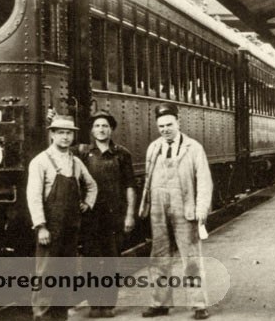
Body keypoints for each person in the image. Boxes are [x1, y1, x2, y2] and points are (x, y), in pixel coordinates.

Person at [138, 103, 213, 320]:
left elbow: (204, 182)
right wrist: (146, 205)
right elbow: (147, 179)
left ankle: (199, 305)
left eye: (169, 124)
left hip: (185, 207)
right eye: (161, 126)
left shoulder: (194, 148)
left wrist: (201, 209)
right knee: (159, 257)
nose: (165, 129)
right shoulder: (153, 148)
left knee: (190, 258)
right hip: (159, 209)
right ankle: (160, 303)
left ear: (178, 123)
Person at [27, 115, 98, 320]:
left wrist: (88, 203)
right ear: (52, 135)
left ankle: (61, 316)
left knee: (66, 272)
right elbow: (33, 196)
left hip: (71, 226)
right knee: (45, 273)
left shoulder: (75, 162)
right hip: (50, 227)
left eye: (69, 133)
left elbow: (92, 185)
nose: (65, 137)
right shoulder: (40, 161)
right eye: (61, 133)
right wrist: (40, 226)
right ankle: (41, 315)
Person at [75, 110, 136, 318]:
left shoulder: (122, 154)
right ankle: (94, 304)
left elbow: (129, 186)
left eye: (105, 126)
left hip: (114, 215)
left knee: (111, 259)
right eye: (97, 126)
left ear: (111, 130)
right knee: (91, 260)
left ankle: (108, 304)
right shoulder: (81, 153)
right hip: (90, 216)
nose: (101, 130)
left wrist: (129, 215)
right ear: (92, 131)